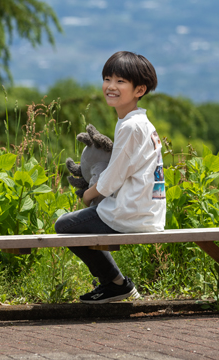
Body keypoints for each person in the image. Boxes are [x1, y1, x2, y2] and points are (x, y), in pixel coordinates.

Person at [54, 51, 166, 304]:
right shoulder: (141, 123)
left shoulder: (130, 126)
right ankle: (116, 284)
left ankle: (116, 284)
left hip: (129, 213)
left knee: (64, 226)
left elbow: (114, 176)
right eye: (107, 79)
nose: (111, 86)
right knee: (76, 224)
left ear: (139, 90)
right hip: (149, 211)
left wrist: (88, 195)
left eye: (120, 81)